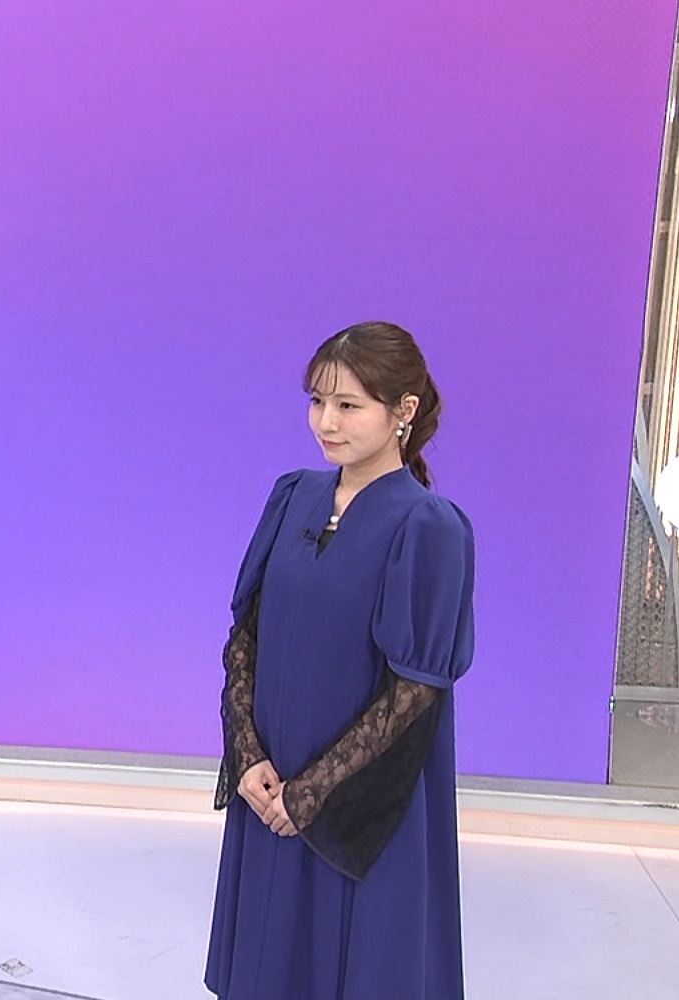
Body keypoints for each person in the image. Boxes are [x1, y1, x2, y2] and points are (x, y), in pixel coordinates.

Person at [205, 321, 477, 1000]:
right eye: (318, 401)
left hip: (361, 803)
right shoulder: (292, 496)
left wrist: (311, 794)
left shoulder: (429, 527)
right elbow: (246, 636)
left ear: (402, 411)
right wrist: (248, 756)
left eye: (349, 406)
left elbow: (414, 694)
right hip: (269, 784)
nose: (326, 422)